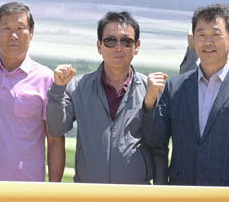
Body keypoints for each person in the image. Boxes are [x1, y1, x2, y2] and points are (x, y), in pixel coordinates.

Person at [146, 4, 229, 187]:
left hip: (228, 196)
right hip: (181, 193)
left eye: (216, 35)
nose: (208, 42)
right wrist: (149, 102)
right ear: (193, 40)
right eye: (202, 35)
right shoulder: (175, 87)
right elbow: (157, 142)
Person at [46, 10, 163, 185]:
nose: (118, 47)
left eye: (126, 41)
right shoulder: (77, 87)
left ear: (137, 46)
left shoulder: (150, 89)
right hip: (89, 193)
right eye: (110, 41)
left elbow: (159, 144)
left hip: (136, 195)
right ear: (99, 46)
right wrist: (58, 88)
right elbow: (56, 128)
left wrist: (160, 190)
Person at [0, 2, 64, 182]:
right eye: (6, 28)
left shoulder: (45, 78)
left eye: (20, 28)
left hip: (27, 188)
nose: (14, 35)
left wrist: (54, 189)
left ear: (31, 32)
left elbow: (55, 140)